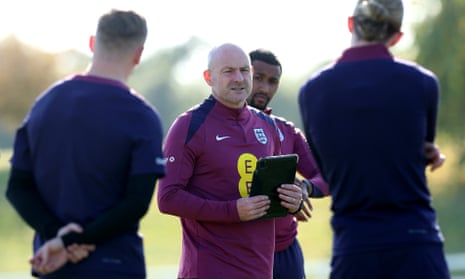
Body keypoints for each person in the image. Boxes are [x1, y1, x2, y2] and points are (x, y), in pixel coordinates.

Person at [5, 9, 165, 279]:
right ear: (138, 54)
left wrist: (57, 236)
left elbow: (17, 188)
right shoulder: (142, 116)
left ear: (92, 43)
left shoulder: (44, 105)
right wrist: (69, 242)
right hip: (116, 266)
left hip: (53, 265)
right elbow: (136, 202)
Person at [298, 0, 449, 278]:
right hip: (417, 244)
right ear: (397, 37)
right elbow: (416, 147)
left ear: (351, 24)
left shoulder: (312, 91)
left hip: (355, 249)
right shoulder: (423, 83)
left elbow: (328, 170)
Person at [157, 43, 304, 279]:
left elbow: (269, 196)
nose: (239, 78)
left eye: (244, 70)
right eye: (228, 71)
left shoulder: (267, 125)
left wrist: (292, 200)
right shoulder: (189, 125)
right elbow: (167, 198)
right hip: (209, 270)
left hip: (261, 270)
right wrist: (232, 210)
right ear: (209, 77)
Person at [247, 48, 329, 279]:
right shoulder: (215, 129)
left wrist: (304, 188)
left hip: (285, 253)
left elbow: (326, 174)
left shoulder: (287, 131)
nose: (264, 88)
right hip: (238, 251)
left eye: (273, 81)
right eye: (258, 78)